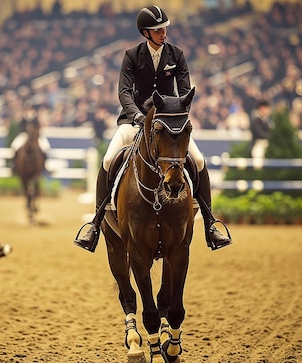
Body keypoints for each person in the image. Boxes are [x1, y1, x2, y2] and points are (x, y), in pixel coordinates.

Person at [73, 5, 232, 253]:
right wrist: (136, 115)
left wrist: (177, 118)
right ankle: (95, 223)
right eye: (157, 30)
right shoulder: (132, 55)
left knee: (199, 161)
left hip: (168, 124)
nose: (163, 33)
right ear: (145, 33)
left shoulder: (176, 55)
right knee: (107, 160)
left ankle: (210, 224)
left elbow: (184, 91)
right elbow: (124, 92)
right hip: (133, 122)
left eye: (164, 28)